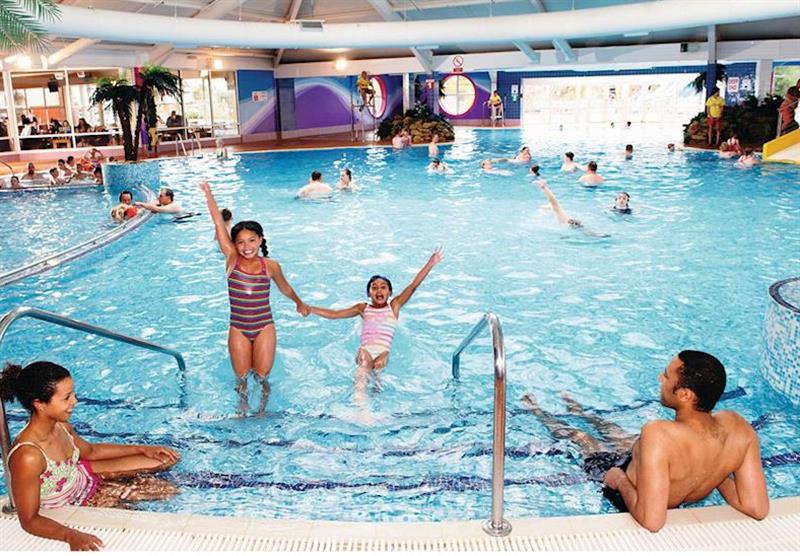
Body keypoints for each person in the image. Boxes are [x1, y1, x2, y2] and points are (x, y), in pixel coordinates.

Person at [522, 350, 769, 532]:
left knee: (582, 439)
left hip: (628, 486)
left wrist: (618, 479)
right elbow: (756, 508)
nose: (660, 379)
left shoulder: (659, 433)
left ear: (685, 394)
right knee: (617, 433)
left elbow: (652, 521)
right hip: (662, 467)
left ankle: (537, 411)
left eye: (666, 376)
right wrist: (717, 470)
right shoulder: (738, 428)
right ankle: (580, 412)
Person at [0, 361, 180, 550]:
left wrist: (143, 449)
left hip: (85, 477)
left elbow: (91, 452)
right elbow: (29, 520)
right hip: (77, 501)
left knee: (163, 461)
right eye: (66, 397)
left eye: (73, 394)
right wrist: (71, 535)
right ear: (39, 404)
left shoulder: (61, 427)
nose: (74, 401)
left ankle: (120, 486)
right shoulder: (28, 456)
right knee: (147, 514)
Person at [200, 180, 309, 414]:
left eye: (251, 240)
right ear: (234, 245)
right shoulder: (231, 259)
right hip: (238, 328)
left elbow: (285, 288)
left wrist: (299, 303)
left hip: (264, 328)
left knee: (261, 377)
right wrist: (208, 193)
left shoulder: (270, 266)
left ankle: (261, 410)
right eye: (240, 242)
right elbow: (218, 224)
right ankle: (242, 407)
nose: (246, 246)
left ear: (260, 240)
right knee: (241, 379)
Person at [307, 248, 443, 403]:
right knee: (364, 365)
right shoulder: (363, 308)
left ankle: (373, 396)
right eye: (374, 287)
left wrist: (430, 263)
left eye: (383, 287)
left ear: (390, 292)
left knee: (377, 370)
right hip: (366, 350)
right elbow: (335, 314)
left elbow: (413, 286)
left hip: (383, 352)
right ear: (368, 294)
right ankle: (359, 403)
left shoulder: (394, 306)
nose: (379, 290)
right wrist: (310, 308)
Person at [536, 180, 609, 237]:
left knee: (586, 232)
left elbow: (554, 201)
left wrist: (544, 188)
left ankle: (596, 234)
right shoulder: (556, 214)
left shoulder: (557, 212)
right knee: (586, 231)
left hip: (570, 223)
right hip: (571, 223)